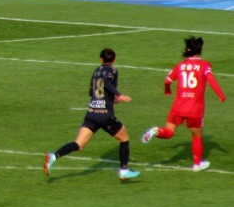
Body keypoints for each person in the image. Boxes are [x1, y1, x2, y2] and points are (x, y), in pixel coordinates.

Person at [44, 48, 140, 181]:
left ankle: (53, 157)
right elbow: (106, 83)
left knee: (79, 144)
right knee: (124, 139)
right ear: (114, 60)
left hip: (92, 113)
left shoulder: (96, 71)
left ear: (101, 60)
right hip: (105, 114)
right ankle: (123, 171)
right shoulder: (113, 71)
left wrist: (111, 98)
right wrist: (119, 95)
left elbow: (91, 92)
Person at [142, 36, 226, 172]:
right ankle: (197, 165)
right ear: (200, 49)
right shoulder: (204, 65)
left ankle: (157, 131)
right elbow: (211, 79)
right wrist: (221, 95)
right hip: (195, 108)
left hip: (178, 106)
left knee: (168, 132)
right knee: (197, 136)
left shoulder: (180, 65)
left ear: (188, 50)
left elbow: (168, 80)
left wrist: (167, 91)